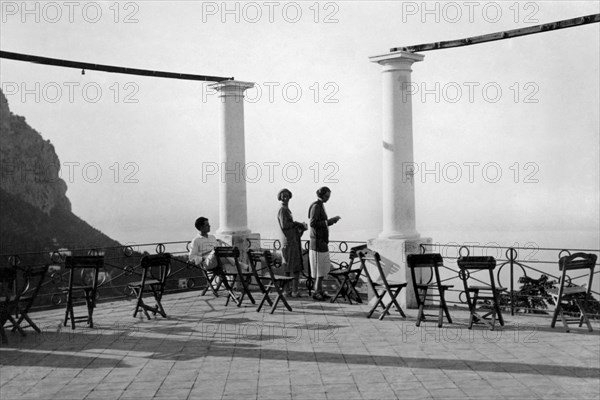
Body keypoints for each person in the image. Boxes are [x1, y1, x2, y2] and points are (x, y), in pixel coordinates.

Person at [308, 186, 341, 301]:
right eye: (327, 196)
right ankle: (317, 292)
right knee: (319, 269)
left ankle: (319, 290)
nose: (328, 198)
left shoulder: (319, 205)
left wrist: (331, 222)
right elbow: (313, 223)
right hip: (317, 243)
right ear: (322, 195)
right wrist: (329, 221)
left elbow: (320, 223)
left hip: (320, 242)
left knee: (321, 268)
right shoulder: (316, 206)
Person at [277, 188, 307, 297]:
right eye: (283, 196)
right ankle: (293, 290)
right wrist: (298, 224)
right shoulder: (283, 210)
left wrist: (299, 227)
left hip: (290, 241)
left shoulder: (285, 209)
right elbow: (285, 225)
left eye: (287, 196)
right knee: (294, 267)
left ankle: (288, 290)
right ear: (280, 197)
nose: (285, 198)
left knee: (289, 267)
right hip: (289, 242)